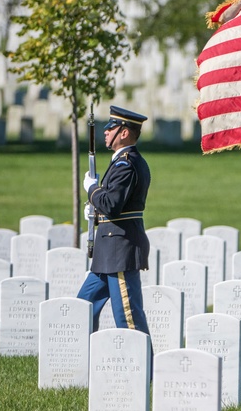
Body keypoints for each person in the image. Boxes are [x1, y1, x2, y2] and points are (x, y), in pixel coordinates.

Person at [77, 105, 151, 334]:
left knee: (128, 320)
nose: (106, 132)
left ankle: (143, 368)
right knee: (81, 310)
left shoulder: (126, 164)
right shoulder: (121, 161)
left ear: (125, 133)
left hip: (120, 250)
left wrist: (92, 190)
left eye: (112, 128)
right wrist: (94, 208)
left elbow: (111, 204)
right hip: (109, 250)